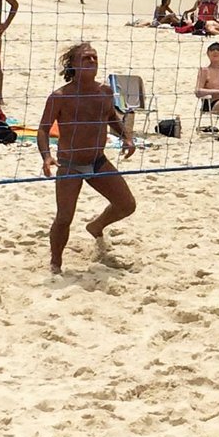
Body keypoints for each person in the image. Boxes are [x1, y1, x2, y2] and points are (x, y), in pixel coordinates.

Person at [37, 42, 137, 275]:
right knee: (64, 218)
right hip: (70, 164)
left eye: (94, 57)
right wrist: (46, 157)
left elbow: (111, 117)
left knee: (127, 205)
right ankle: (56, 264)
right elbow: (42, 130)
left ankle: (96, 226)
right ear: (73, 65)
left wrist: (127, 137)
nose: (92, 61)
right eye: (86, 58)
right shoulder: (60, 96)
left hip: (98, 160)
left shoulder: (104, 92)